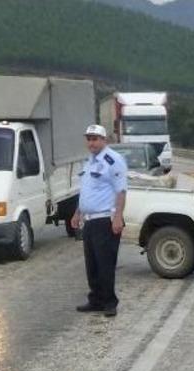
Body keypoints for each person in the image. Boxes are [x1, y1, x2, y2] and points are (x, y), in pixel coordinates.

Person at [71, 125, 129, 318]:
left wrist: (118, 216)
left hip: (105, 220)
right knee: (92, 264)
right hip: (89, 220)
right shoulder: (89, 161)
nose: (91, 143)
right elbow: (86, 191)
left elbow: (121, 191)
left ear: (104, 140)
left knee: (105, 263)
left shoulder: (113, 160)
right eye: (89, 139)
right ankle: (96, 299)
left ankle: (110, 302)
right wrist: (77, 213)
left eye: (95, 139)